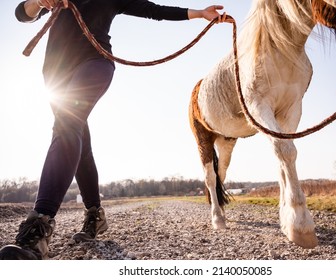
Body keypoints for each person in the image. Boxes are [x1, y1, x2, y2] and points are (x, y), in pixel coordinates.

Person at [0, 0, 225, 260]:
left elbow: (153, 11)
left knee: (67, 125)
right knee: (79, 141)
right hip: (55, 74)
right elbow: (22, 14)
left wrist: (199, 14)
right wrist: (38, 2)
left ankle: (37, 230)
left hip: (95, 64)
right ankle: (95, 215)